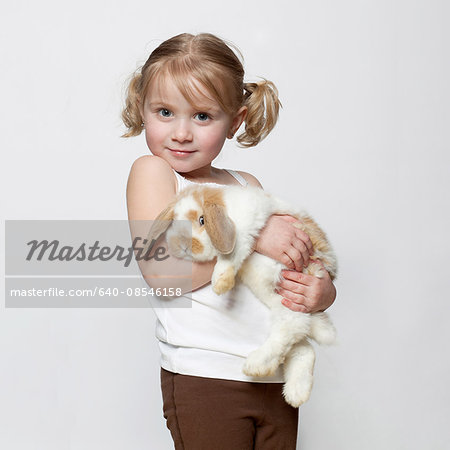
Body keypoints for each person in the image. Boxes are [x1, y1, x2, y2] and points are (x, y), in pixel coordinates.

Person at [123, 32, 336, 450]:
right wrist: (253, 235)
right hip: (206, 377)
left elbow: (284, 262)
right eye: (165, 112)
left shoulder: (245, 184)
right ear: (142, 109)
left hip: (273, 375)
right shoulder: (156, 173)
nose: (181, 132)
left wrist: (320, 292)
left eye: (202, 116)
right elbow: (163, 272)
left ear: (235, 121)